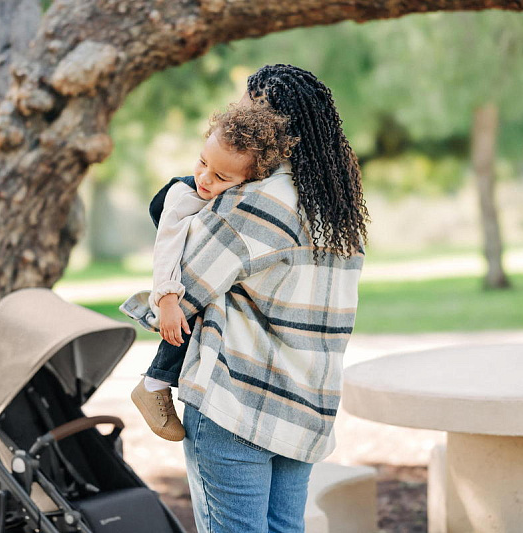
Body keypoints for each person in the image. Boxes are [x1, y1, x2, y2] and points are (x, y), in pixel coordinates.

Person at [175, 64, 369, 532]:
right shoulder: (336, 208)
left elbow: (183, 291)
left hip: (238, 403)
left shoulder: (258, 199)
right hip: (304, 407)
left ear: (268, 123)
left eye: (246, 110)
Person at [120, 102, 298, 442]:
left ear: (250, 181)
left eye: (221, 177)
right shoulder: (184, 195)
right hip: (179, 267)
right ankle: (154, 383)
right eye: (203, 163)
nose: (205, 178)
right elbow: (166, 249)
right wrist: (167, 299)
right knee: (186, 319)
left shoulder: (248, 197)